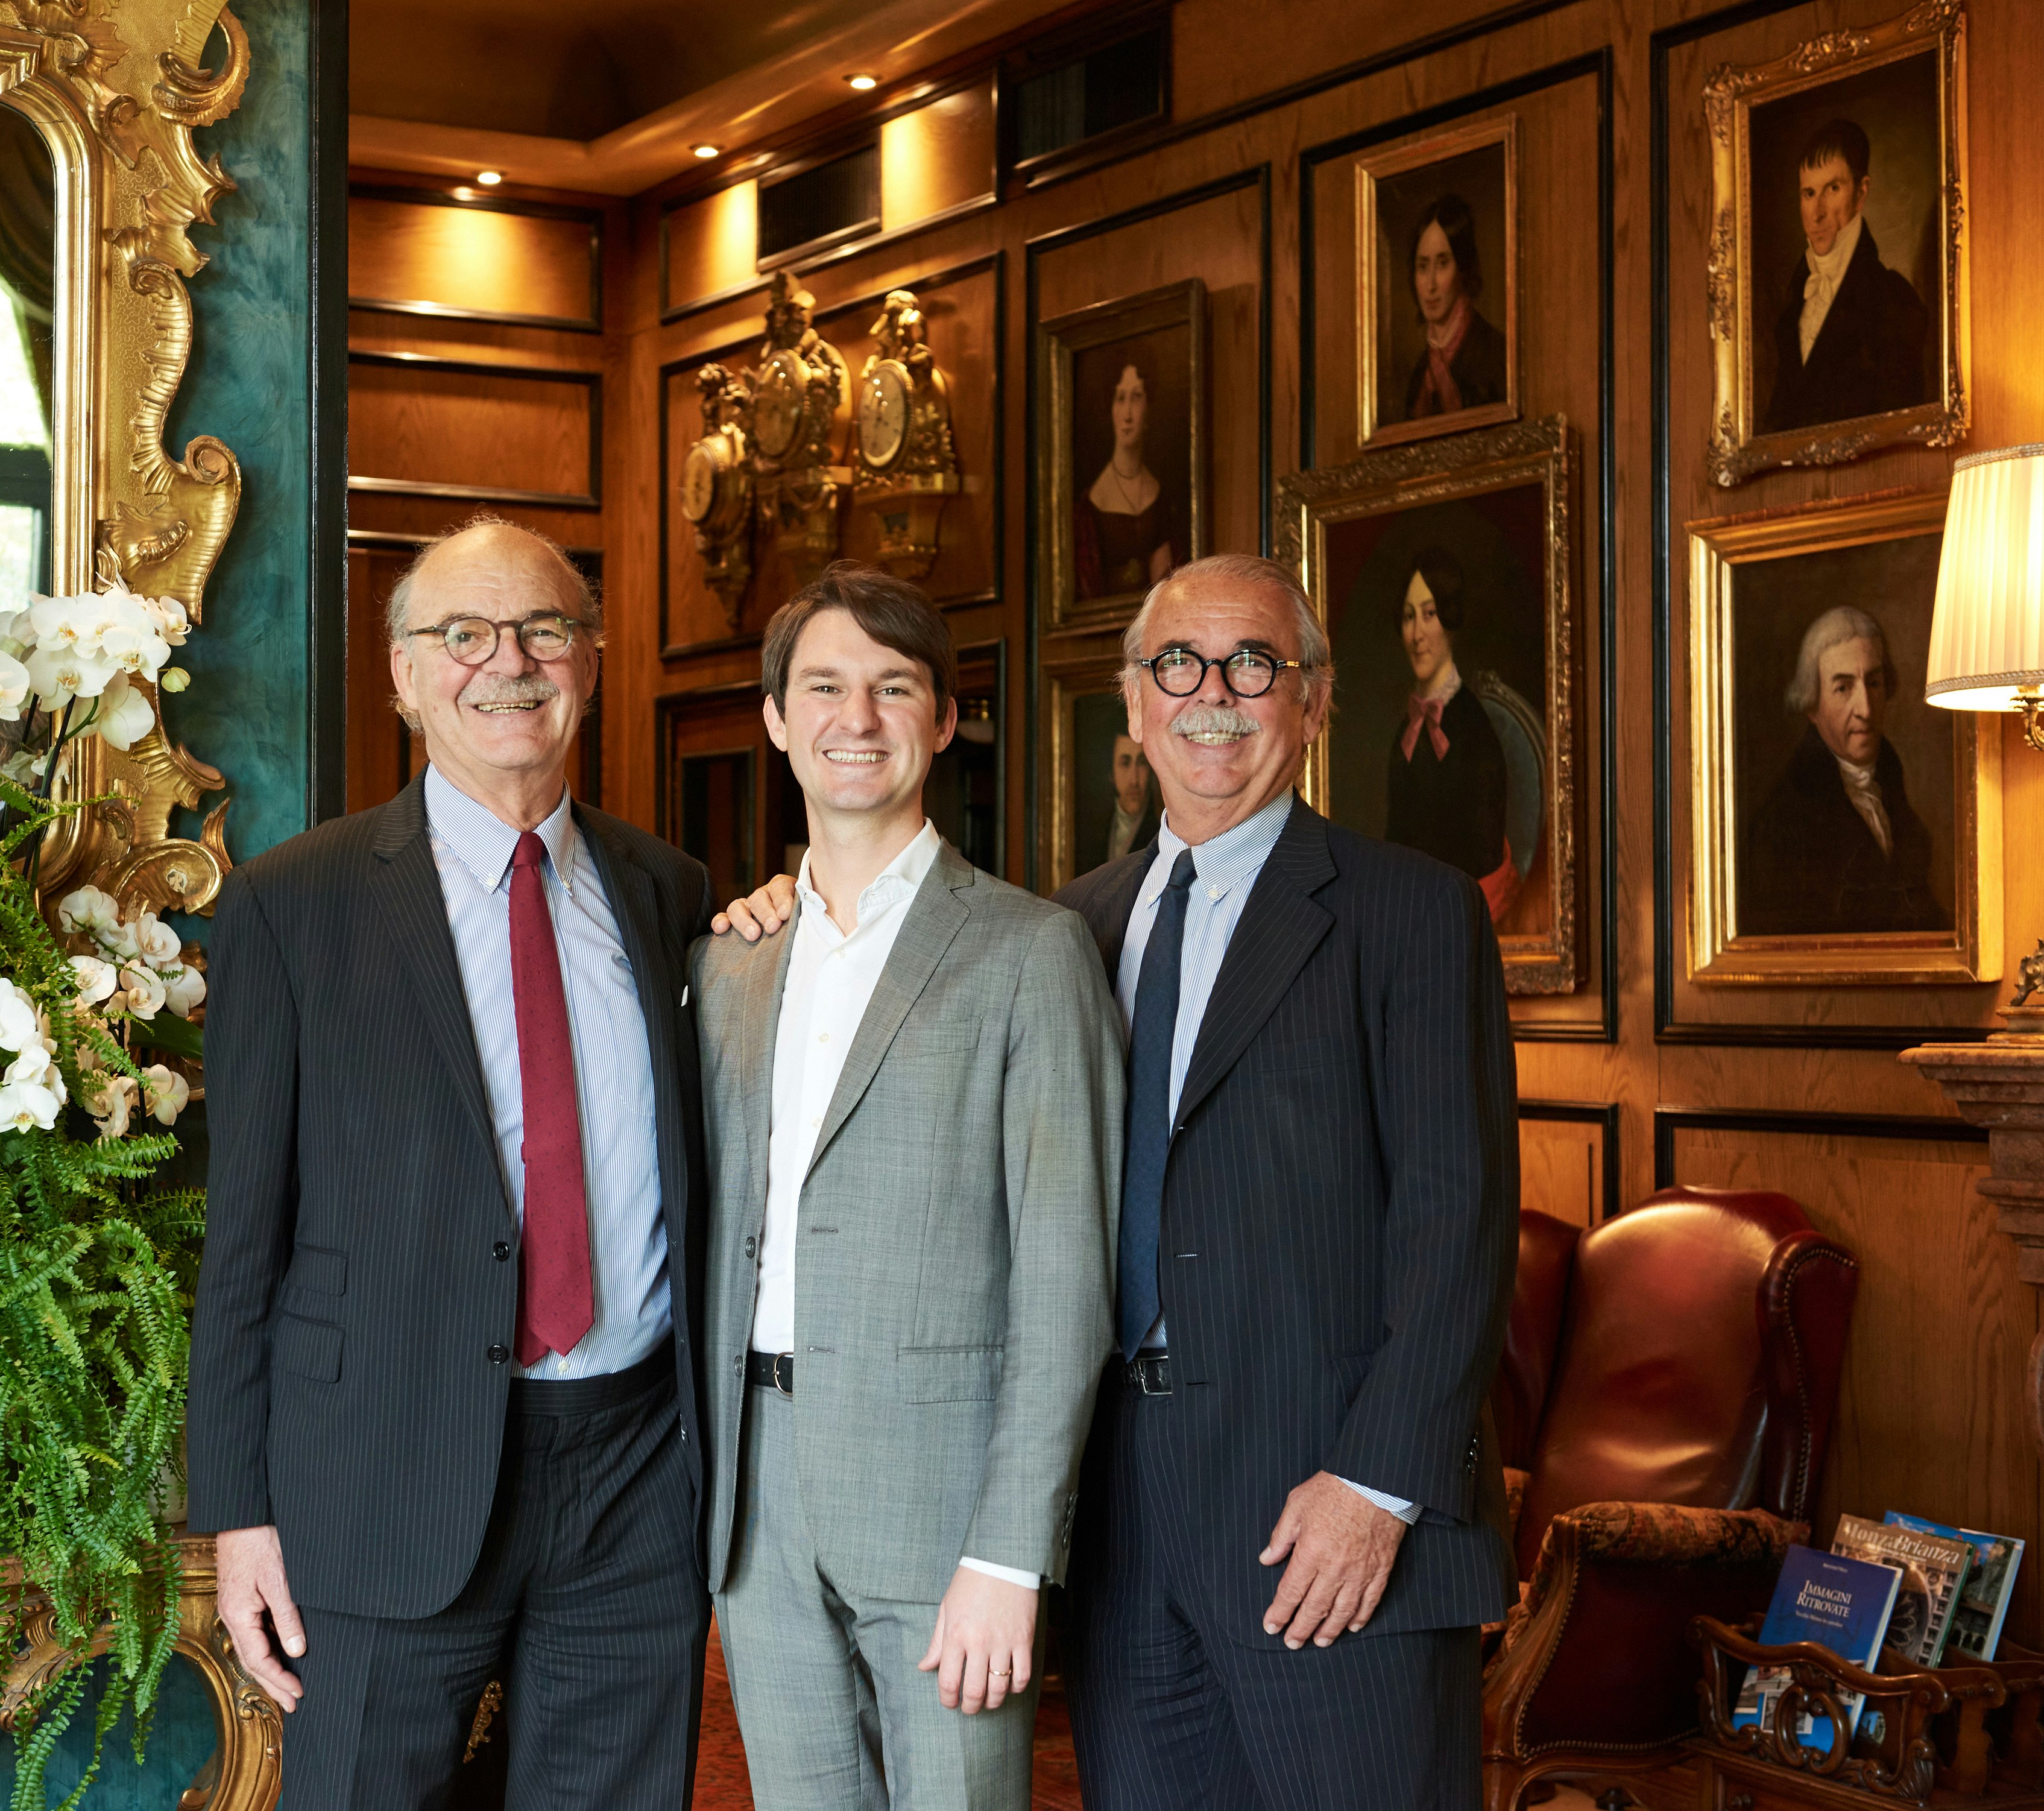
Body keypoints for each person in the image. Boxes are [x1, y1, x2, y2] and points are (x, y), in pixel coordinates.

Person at [716, 552, 1518, 1809]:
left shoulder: (1408, 915)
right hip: (1122, 1521)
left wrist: (1378, 1484)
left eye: (1254, 665)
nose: (1213, 696)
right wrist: (786, 907)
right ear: (1136, 708)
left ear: (1311, 701)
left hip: (1325, 1511)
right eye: (1177, 667)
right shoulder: (1070, 923)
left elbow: (1457, 1227)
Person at [189, 517, 715, 1809]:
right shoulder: (291, 905)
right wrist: (238, 1515)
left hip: (638, 1470)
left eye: (544, 629)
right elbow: (242, 1240)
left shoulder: (674, 892)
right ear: (404, 676)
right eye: (463, 635)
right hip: (384, 1472)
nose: (510, 662)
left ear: (589, 660)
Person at [692, 564, 1125, 1811]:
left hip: (945, 1510)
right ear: (776, 717)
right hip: (756, 1504)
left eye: (895, 689)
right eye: (824, 687)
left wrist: (1010, 1551)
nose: (857, 719)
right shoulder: (728, 962)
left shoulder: (1031, 952)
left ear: (944, 719)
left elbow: (1067, 1284)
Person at [1739, 603, 1946, 935]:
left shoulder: (1893, 794)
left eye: (1874, 683)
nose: (1865, 709)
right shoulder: (1782, 828)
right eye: (1843, 688)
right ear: (1811, 704)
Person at [1761, 118, 1930, 434]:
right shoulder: (1789, 307)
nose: (1817, 212)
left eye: (1833, 189)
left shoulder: (1894, 300)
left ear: (1861, 193)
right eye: (1809, 194)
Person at [1384, 548, 1518, 919]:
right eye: (1409, 617)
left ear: (1450, 618)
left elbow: (1483, 858)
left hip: (1466, 914)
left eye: (1429, 614)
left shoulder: (1473, 729)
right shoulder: (1405, 735)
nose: (1417, 635)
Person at [1076, 359, 1181, 599]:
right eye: (1120, 398)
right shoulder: (1089, 504)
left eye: (1136, 397)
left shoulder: (1161, 498)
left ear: (1149, 407)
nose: (1127, 415)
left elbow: (1164, 588)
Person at [1399, 193, 1507, 422]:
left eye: (1443, 264)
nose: (1431, 284)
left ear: (1463, 269)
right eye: (1422, 266)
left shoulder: (1495, 357)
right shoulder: (1418, 378)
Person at [1107, 731, 1159, 865]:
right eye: (1125, 763)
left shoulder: (1161, 828)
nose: (1134, 780)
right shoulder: (1093, 827)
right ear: (1112, 773)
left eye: (1142, 763)